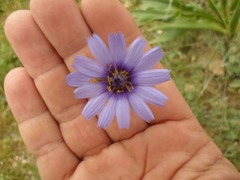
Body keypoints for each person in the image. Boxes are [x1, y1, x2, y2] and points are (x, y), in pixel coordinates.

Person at [3, 0, 240, 179]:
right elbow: (84, 90)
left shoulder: (133, 82)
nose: (117, 80)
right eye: (115, 79)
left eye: (119, 78)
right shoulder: (103, 85)